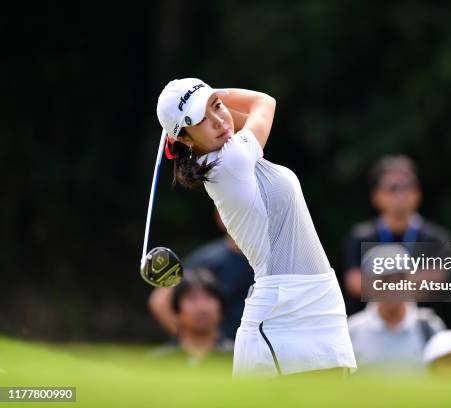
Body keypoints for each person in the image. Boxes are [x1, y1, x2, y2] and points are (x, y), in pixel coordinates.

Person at [156, 78, 356, 378]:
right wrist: (218, 93)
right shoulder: (228, 161)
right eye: (202, 120)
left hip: (316, 302)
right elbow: (264, 102)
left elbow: (233, 119)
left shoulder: (227, 151)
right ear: (185, 139)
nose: (219, 120)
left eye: (218, 108)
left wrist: (208, 102)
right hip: (283, 313)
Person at [342, 155, 451, 315]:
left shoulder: (436, 237)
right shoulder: (360, 236)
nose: (401, 194)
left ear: (418, 193)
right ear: (376, 196)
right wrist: (414, 280)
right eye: (393, 188)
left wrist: (381, 282)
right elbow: (354, 284)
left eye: (408, 186)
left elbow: (437, 280)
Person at [148, 211, 253, 340]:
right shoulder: (209, 260)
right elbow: (160, 300)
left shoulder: (276, 257)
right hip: (222, 352)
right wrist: (189, 341)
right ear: (220, 218)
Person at [149, 268, 233, 365]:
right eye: (192, 298)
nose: (202, 307)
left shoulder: (239, 358)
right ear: (176, 311)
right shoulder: (159, 362)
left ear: (221, 308)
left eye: (209, 297)